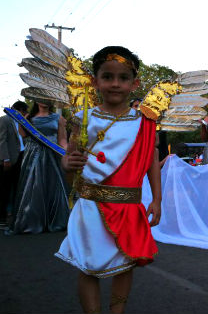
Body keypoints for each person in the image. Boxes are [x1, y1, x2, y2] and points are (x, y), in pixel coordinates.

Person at [57, 46, 162, 313]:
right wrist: (67, 163)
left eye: (123, 78)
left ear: (134, 83)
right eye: (107, 76)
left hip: (128, 207)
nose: (115, 84)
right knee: (88, 266)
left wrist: (158, 199)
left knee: (125, 265)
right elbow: (69, 159)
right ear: (95, 81)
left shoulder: (145, 123)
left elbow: (151, 160)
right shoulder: (83, 118)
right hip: (91, 206)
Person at [7, 101, 70, 234]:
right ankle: (31, 221)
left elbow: (62, 140)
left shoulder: (58, 118)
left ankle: (55, 220)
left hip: (52, 155)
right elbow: (23, 135)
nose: (45, 101)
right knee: (33, 186)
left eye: (47, 98)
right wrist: (22, 121)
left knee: (53, 185)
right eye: (41, 98)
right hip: (33, 155)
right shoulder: (28, 117)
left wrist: (67, 153)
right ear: (36, 100)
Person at [0, 101, 28, 226]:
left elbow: (23, 138)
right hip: (9, 160)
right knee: (5, 189)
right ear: (18, 110)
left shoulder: (20, 122)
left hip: (20, 157)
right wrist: (5, 159)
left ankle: (14, 215)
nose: (24, 114)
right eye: (24, 112)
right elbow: (2, 141)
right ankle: (2, 218)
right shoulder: (5, 120)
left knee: (17, 188)